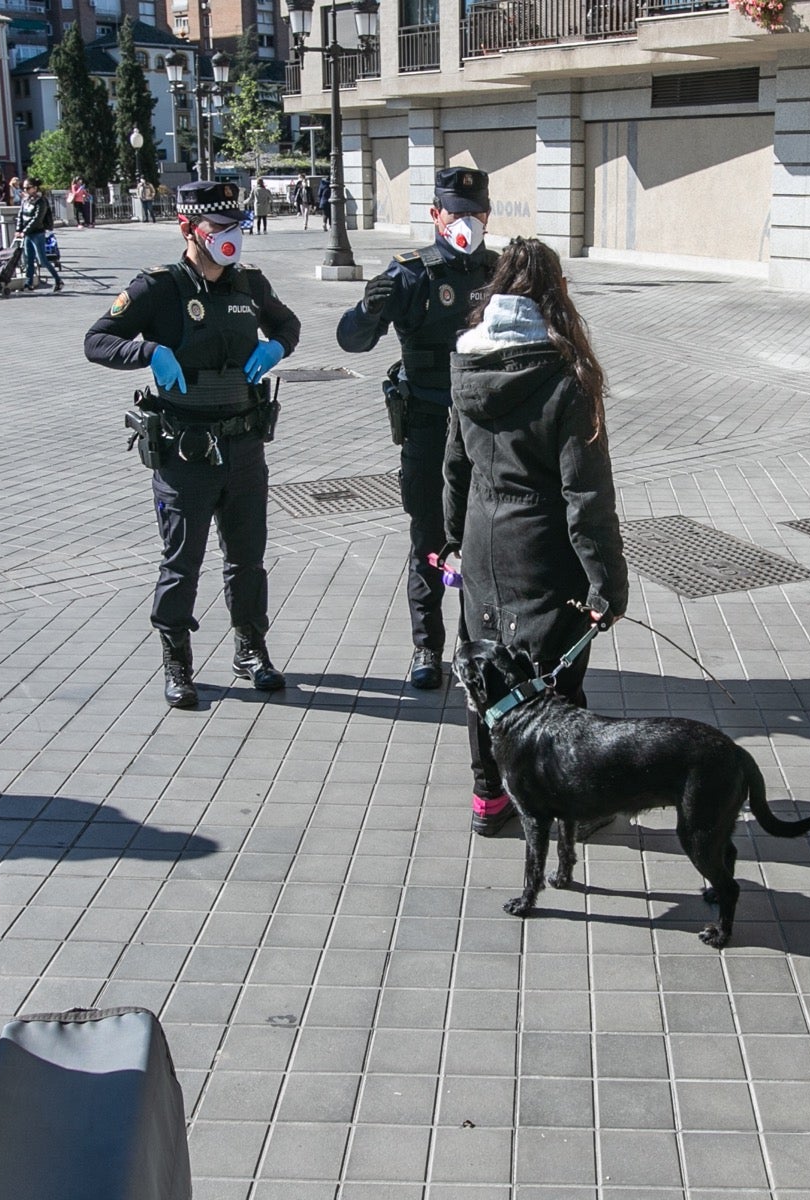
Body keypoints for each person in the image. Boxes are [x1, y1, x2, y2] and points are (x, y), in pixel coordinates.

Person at [83, 180, 300, 708]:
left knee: (247, 558)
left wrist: (276, 347)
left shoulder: (249, 284)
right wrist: (149, 351)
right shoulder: (159, 288)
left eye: (237, 227)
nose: (232, 238)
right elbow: (96, 339)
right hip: (187, 451)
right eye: (220, 229)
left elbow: (289, 323)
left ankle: (251, 649)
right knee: (183, 561)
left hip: (245, 444)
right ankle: (177, 662)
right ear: (189, 230)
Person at [442, 236, 628, 836]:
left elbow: (454, 467)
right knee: (555, 682)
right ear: (555, 297)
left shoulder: (466, 361)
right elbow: (587, 495)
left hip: (481, 540)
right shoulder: (566, 373)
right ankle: (567, 807)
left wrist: (451, 539)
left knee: (484, 674)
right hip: (545, 549)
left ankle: (487, 799)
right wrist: (607, 581)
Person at [336, 165, 498, 696]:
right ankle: (427, 646)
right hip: (429, 424)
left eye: (477, 214)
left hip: (485, 430)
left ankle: (482, 643)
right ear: (436, 216)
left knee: (486, 539)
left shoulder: (501, 272)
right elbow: (351, 342)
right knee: (429, 537)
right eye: (458, 214)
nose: (468, 223)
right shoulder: (410, 274)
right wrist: (367, 309)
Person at [14, 173, 62, 292]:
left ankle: (58, 280)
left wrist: (24, 231)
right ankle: (28, 284)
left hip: (38, 233)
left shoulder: (41, 201)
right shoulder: (25, 200)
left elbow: (37, 219)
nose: (24, 190)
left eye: (27, 188)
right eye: (23, 188)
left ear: (35, 188)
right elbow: (20, 215)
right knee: (28, 260)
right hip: (28, 234)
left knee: (43, 261)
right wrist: (18, 229)